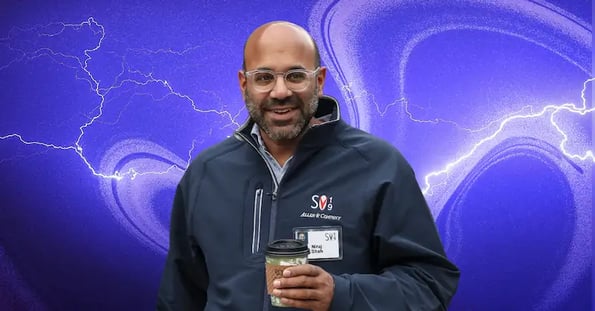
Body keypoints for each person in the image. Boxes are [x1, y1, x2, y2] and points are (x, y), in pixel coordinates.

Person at [157, 21, 460, 311]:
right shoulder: (206, 173)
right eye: (264, 77)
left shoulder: (379, 167)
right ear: (243, 83)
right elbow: (179, 296)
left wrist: (341, 294)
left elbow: (429, 285)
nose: (280, 92)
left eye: (295, 75)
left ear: (319, 80)